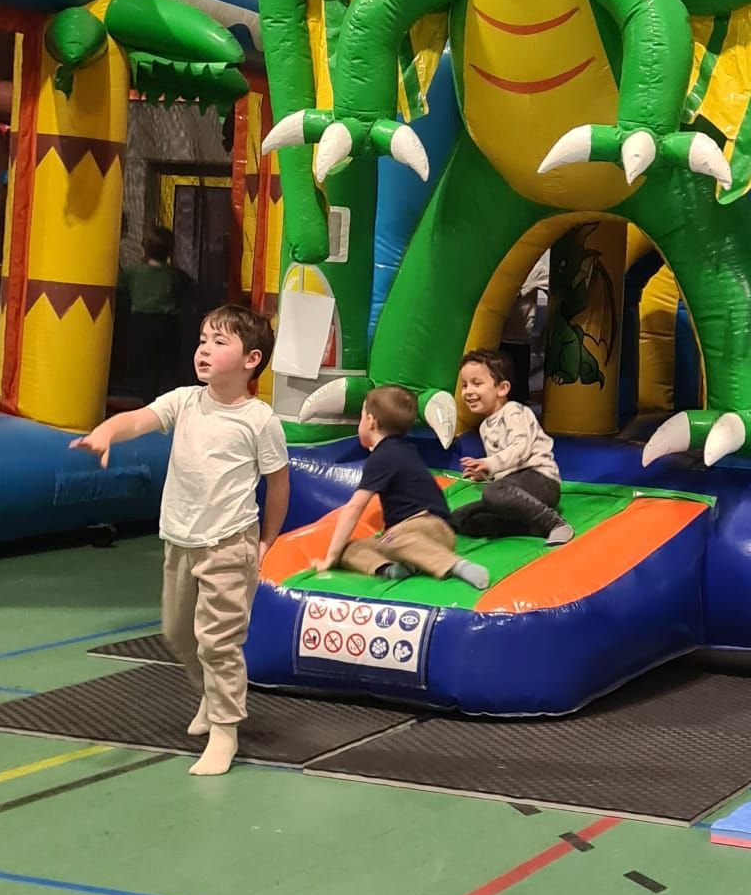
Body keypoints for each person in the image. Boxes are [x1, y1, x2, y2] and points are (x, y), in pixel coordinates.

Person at [71, 304, 290, 778]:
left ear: (251, 359)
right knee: (176, 633)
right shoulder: (185, 401)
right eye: (202, 339)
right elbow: (138, 420)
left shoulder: (259, 421)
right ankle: (210, 696)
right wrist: (107, 431)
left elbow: (278, 483)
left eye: (219, 342)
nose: (204, 350)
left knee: (218, 642)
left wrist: (267, 539)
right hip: (179, 539)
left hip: (228, 543)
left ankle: (225, 731)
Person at [313, 384, 489, 590]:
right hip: (418, 536)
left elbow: (354, 507)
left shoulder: (382, 456)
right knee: (351, 549)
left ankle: (456, 565)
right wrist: (339, 552)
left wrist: (330, 559)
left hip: (428, 527)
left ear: (370, 421)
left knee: (391, 540)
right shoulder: (404, 449)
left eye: (361, 418)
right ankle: (390, 569)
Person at [453, 348, 572, 545]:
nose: (468, 391)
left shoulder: (514, 411)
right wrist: (484, 473)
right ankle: (529, 526)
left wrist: (489, 464)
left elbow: (520, 449)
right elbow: (504, 468)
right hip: (514, 486)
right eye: (464, 385)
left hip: (541, 481)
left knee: (493, 493)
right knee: (460, 517)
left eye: (477, 383)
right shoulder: (485, 426)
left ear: (502, 388)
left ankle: (555, 524)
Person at [117, 227, 187, 400]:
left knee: (143, 365)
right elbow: (185, 292)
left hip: (140, 322)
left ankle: (144, 397)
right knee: (165, 366)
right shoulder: (175, 275)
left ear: (145, 248)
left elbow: (121, 291)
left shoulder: (133, 273)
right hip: (167, 323)